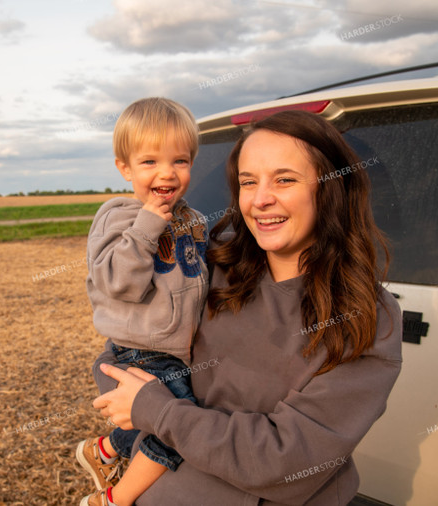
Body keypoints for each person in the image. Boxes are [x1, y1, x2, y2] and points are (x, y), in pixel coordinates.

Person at [91, 110, 403, 505]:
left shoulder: (366, 316)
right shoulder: (211, 270)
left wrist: (159, 412)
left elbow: (283, 461)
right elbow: (121, 356)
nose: (260, 200)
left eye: (285, 180)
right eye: (248, 182)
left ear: (330, 188)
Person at [76, 97, 209, 506]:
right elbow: (119, 282)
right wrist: (148, 223)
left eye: (180, 161)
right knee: (179, 429)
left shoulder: (193, 219)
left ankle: (103, 451)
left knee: (155, 418)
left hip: (174, 349)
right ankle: (113, 500)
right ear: (125, 168)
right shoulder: (118, 216)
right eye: (149, 162)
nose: (166, 173)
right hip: (143, 350)